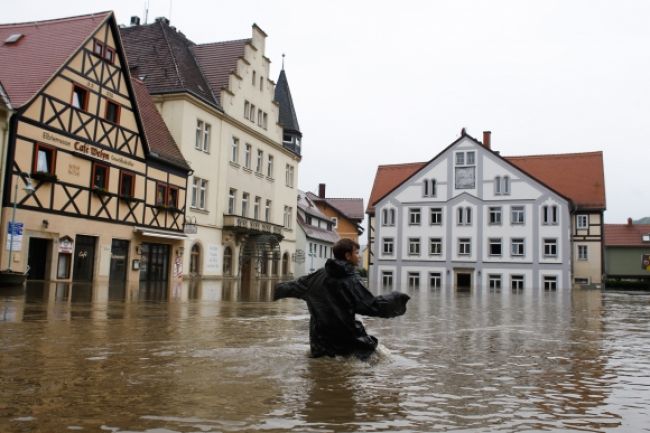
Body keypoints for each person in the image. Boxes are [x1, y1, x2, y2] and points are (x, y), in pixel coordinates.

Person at [274, 238, 410, 360]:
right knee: (382, 360)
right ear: (347, 256)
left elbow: (291, 286)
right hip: (346, 343)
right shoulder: (351, 280)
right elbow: (370, 306)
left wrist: (272, 291)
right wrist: (396, 299)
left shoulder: (316, 276)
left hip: (319, 344)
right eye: (356, 253)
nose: (360, 256)